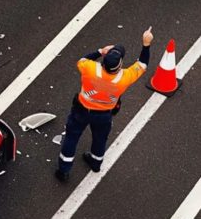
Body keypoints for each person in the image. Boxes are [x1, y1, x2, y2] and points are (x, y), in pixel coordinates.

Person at [55, 27, 154, 182]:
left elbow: (82, 60)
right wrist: (146, 43)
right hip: (103, 115)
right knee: (100, 139)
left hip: (81, 110)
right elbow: (142, 64)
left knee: (72, 138)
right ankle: (95, 162)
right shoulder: (124, 78)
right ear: (120, 65)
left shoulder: (90, 69)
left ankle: (64, 170)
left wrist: (100, 51)